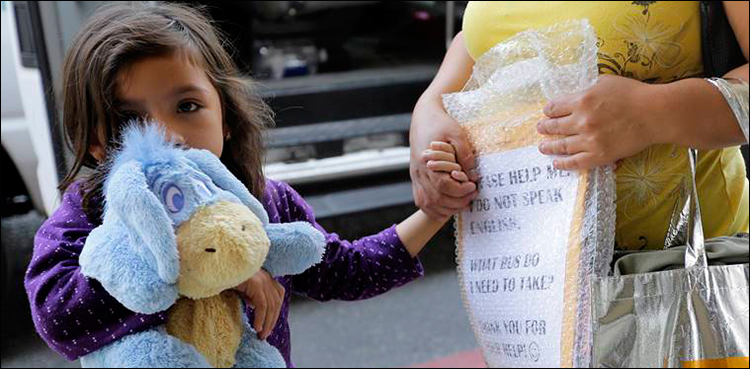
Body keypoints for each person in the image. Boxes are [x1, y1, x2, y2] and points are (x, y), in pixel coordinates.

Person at [23, 3, 464, 367]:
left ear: (227, 119)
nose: (167, 135)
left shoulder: (265, 204)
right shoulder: (86, 214)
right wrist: (214, 270)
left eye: (187, 105)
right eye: (129, 121)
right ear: (98, 144)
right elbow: (59, 320)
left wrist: (434, 211)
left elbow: (348, 271)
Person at [410, 1, 749, 250]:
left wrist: (652, 113)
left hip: (685, 286)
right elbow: (479, 41)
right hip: (529, 295)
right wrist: (428, 112)